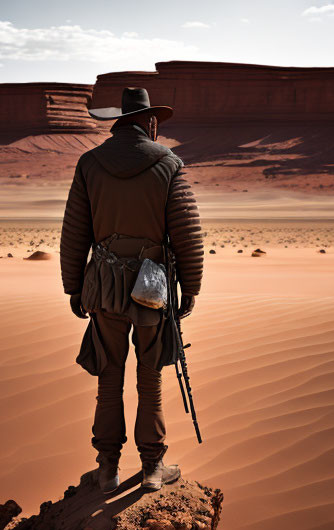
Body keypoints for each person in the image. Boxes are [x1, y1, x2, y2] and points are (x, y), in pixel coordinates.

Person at [59, 86, 205, 494]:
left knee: (109, 376)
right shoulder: (169, 163)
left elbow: (75, 232)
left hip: (103, 287)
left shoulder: (89, 163)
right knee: (150, 377)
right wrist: (189, 288)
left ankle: (108, 470)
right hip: (152, 290)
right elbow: (187, 233)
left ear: (119, 122)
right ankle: (153, 467)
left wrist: (74, 286)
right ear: (150, 122)